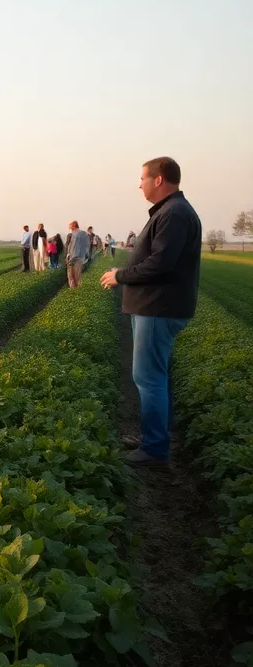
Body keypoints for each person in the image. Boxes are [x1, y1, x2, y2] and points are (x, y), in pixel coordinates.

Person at [100, 157, 201, 466]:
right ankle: (153, 436)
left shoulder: (174, 213)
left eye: (143, 178)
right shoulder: (171, 211)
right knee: (152, 376)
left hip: (159, 307)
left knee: (149, 377)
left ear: (158, 180)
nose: (139, 184)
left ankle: (155, 448)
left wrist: (121, 276)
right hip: (156, 306)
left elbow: (160, 263)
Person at [65, 221, 90, 287]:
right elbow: (87, 245)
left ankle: (73, 292)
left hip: (74, 258)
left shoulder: (76, 234)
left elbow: (74, 247)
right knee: (78, 277)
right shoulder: (84, 234)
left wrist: (70, 258)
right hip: (81, 258)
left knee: (71, 276)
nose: (70, 229)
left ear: (73, 226)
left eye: (70, 227)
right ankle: (78, 291)